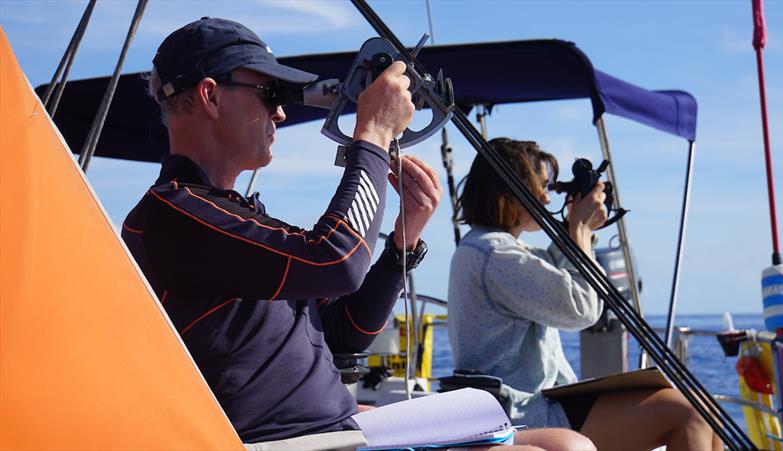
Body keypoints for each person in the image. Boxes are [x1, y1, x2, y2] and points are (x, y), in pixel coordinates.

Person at [122, 18, 593, 451]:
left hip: (334, 430)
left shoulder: (226, 215)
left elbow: (345, 332)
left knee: (566, 444)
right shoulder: (174, 215)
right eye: (270, 94)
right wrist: (373, 133)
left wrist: (402, 243)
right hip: (293, 442)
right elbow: (336, 261)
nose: (281, 114)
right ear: (210, 95)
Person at [448, 138, 723, 451]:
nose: (545, 198)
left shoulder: (489, 248)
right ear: (509, 191)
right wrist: (580, 231)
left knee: (702, 408)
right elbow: (581, 309)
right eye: (539, 187)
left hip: (533, 402)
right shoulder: (493, 254)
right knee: (688, 414)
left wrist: (575, 227)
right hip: (521, 411)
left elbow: (551, 268)